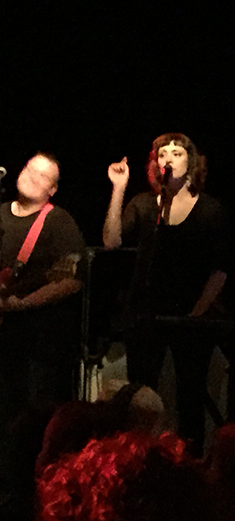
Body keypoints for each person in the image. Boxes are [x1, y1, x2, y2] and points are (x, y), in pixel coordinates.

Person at [0, 153, 86, 498]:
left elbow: (72, 280)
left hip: (36, 342)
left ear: (52, 190)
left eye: (42, 175)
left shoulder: (58, 222)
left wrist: (24, 304)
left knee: (28, 418)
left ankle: (28, 494)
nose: (32, 176)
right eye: (30, 169)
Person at [103, 133, 230, 455]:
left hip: (191, 317)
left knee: (190, 397)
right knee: (140, 396)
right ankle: (135, 461)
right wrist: (118, 189)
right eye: (162, 154)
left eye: (177, 152)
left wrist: (197, 312)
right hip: (146, 314)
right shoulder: (145, 204)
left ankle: (189, 466)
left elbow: (221, 268)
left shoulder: (210, 209)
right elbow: (111, 241)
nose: (168, 158)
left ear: (191, 162)